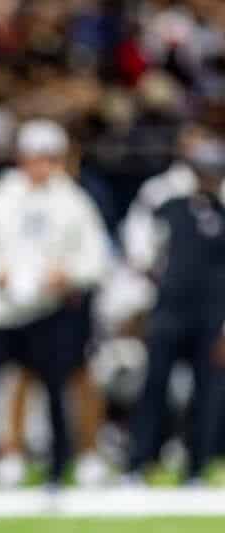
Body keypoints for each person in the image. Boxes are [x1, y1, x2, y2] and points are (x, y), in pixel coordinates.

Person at [0, 119, 110, 486]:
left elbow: (96, 259)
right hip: (2, 313)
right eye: (36, 157)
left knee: (59, 389)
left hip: (49, 312)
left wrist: (67, 275)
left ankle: (59, 469)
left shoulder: (74, 201)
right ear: (22, 158)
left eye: (50, 157)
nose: (42, 165)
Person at [126, 138, 225, 484]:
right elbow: (140, 251)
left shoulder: (221, 208)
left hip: (211, 314)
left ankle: (197, 465)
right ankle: (139, 461)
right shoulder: (168, 202)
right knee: (154, 386)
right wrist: (144, 297)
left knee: (207, 391)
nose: (209, 178)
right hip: (169, 309)